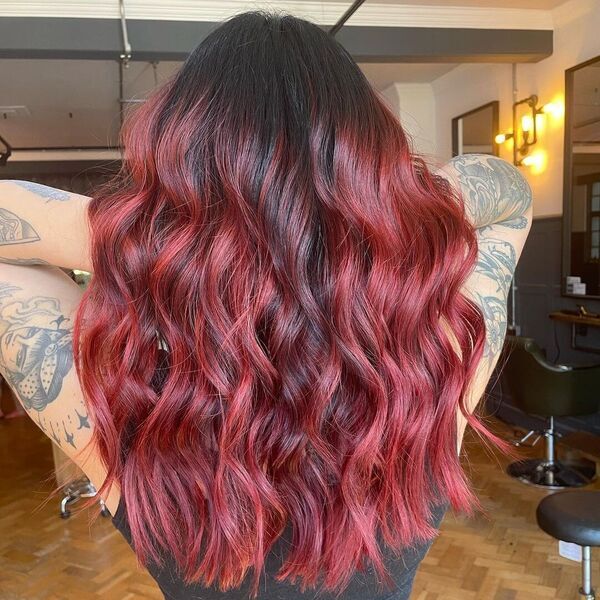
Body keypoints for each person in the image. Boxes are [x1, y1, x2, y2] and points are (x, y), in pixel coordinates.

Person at [0, 10, 532, 600]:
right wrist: (393, 217)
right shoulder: (437, 375)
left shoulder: (121, 412)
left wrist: (146, 239)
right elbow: (509, 190)